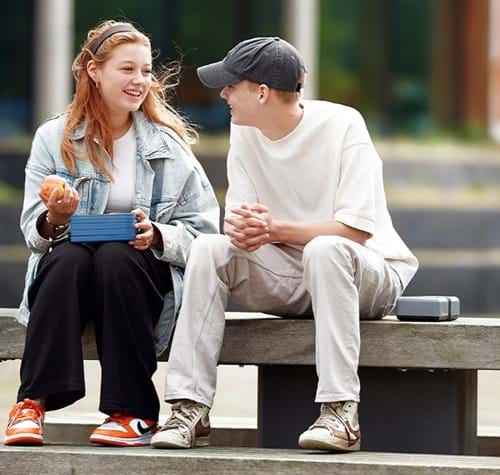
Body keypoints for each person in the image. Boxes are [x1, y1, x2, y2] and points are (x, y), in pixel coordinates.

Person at [150, 37, 419, 452]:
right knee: (209, 249)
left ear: (261, 92)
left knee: (325, 250)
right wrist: (243, 231)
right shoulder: (246, 132)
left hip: (368, 274)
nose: (223, 94)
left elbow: (354, 232)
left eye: (231, 85)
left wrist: (273, 231)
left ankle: (340, 413)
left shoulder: (344, 125)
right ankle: (190, 409)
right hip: (291, 275)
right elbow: (243, 225)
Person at [4, 20, 219, 448]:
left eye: (145, 71)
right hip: (70, 272)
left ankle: (132, 412)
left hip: (139, 274)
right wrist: (57, 218)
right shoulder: (55, 137)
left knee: (116, 257)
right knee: (69, 256)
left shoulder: (169, 145)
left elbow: (205, 233)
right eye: (127, 69)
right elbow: (35, 233)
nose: (140, 81)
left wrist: (156, 234)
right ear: (93, 70)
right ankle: (32, 402)